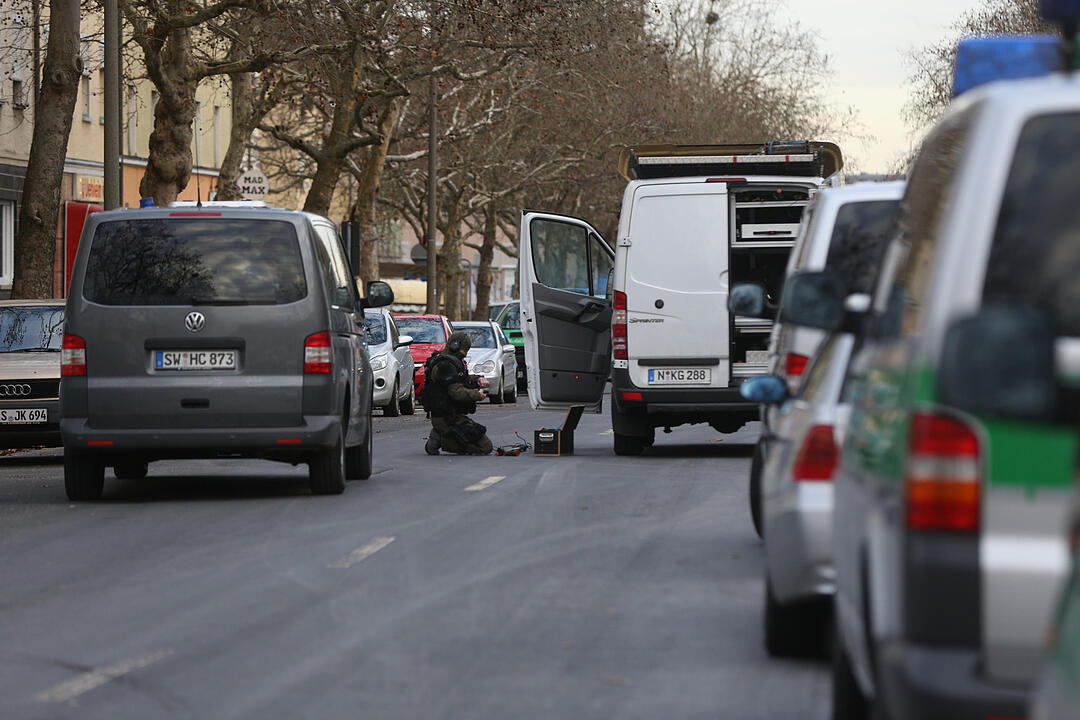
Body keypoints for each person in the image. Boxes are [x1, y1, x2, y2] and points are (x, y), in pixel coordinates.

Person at [424, 331, 494, 455]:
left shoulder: (452, 362)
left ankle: (441, 432)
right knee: (485, 448)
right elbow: (456, 392)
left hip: (454, 415)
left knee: (482, 441)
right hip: (446, 417)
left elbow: (461, 379)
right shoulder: (444, 366)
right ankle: (440, 436)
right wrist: (477, 395)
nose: (465, 354)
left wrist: (478, 379)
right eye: (464, 350)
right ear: (454, 346)